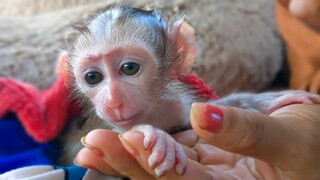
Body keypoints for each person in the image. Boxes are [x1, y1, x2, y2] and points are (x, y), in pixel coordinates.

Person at [74, 0, 320, 179]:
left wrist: (263, 103)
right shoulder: (99, 134)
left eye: (129, 68)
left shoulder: (178, 102)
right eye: (93, 77)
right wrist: (146, 136)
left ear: (179, 51)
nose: (112, 99)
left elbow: (211, 114)